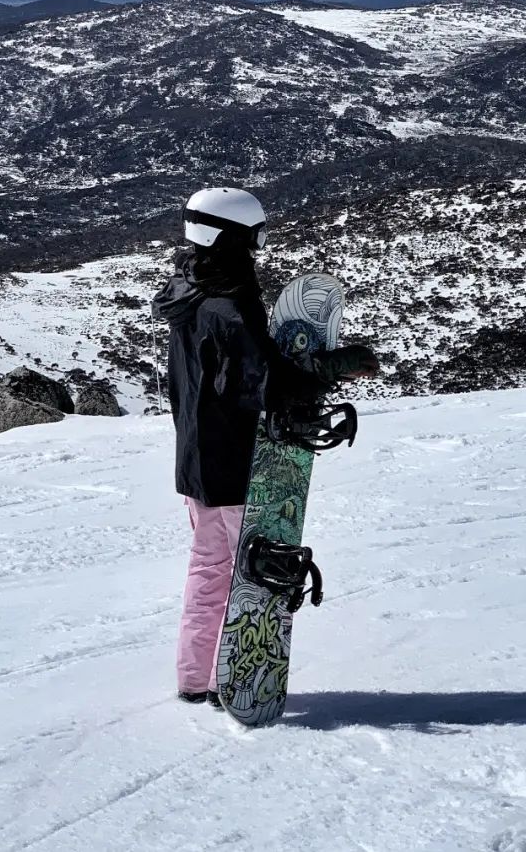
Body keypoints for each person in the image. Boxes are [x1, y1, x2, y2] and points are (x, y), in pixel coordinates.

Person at [154, 185, 378, 705]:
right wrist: (335, 366)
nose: (257, 248)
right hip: (234, 461)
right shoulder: (229, 307)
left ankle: (198, 676)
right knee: (235, 572)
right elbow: (266, 385)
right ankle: (225, 678)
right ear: (230, 237)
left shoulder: (187, 287)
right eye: (252, 238)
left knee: (209, 567)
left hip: (196, 458)